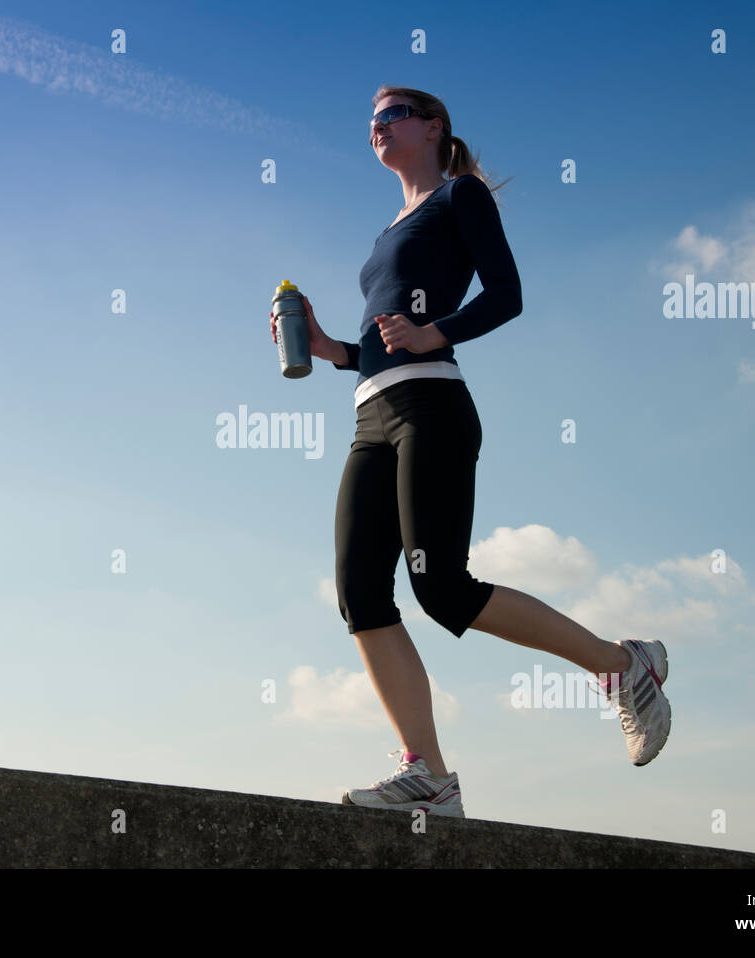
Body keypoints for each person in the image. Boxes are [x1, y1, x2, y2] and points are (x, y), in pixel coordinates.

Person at [271, 87, 671, 819]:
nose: (376, 126)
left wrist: (437, 333)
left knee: (441, 587)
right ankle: (428, 777)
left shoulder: (460, 197)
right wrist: (332, 348)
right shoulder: (386, 230)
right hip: (371, 416)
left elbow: (507, 293)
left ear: (432, 127)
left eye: (392, 114)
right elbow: (377, 343)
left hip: (432, 408)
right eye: (370, 119)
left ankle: (624, 665)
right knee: (360, 595)